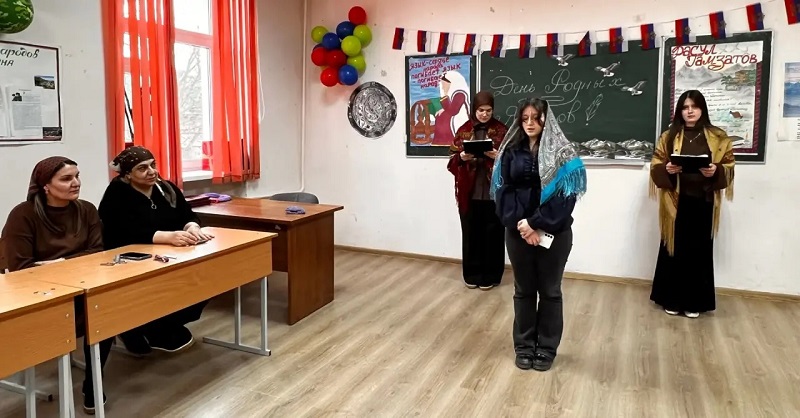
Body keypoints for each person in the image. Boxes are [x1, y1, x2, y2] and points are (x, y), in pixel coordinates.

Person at [2, 156, 113, 414]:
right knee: (90, 314)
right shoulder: (23, 214)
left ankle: (92, 383)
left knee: (105, 311)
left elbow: (97, 253)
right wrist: (74, 262)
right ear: (45, 186)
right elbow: (20, 268)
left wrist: (57, 263)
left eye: (77, 176)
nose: (76, 183)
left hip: (81, 287)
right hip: (39, 295)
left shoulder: (86, 209)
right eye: (66, 178)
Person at [490, 98, 587, 371]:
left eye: (536, 118)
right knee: (523, 290)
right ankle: (524, 346)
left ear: (547, 120)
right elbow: (503, 191)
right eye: (525, 118)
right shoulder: (511, 151)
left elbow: (566, 197)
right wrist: (522, 225)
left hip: (554, 232)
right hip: (518, 232)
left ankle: (546, 348)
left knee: (550, 291)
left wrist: (536, 223)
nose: (530, 123)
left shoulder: (563, 153)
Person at [98, 146, 214, 356]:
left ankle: (158, 327)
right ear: (127, 175)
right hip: (132, 262)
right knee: (159, 292)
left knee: (204, 282)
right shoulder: (116, 194)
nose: (151, 172)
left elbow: (187, 214)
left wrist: (192, 227)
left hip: (171, 255)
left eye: (153, 165)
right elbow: (118, 233)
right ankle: (139, 328)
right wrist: (165, 236)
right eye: (142, 168)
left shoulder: (166, 188)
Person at [649, 90, 734, 318]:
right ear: (680, 111)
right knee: (673, 250)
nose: (689, 111)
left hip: (704, 201)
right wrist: (666, 168)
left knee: (699, 252)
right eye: (685, 107)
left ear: (702, 109)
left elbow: (729, 165)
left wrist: (716, 170)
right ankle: (671, 300)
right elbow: (656, 164)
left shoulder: (718, 137)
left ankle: (694, 303)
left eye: (694, 107)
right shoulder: (669, 136)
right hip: (675, 202)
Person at [447, 90, 509, 290]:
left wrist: (498, 157)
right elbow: (451, 162)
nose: (484, 114)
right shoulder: (464, 130)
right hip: (470, 193)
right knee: (471, 234)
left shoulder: (502, 130)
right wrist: (461, 158)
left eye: (488, 110)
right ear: (474, 109)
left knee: (493, 235)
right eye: (481, 110)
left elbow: (514, 162)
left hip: (494, 194)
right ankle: (472, 274)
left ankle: (492, 276)